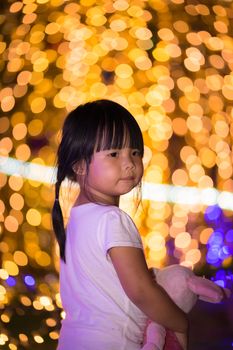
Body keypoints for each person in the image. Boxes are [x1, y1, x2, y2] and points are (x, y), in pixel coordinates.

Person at [52, 99, 188, 350]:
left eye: (135, 152)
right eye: (114, 154)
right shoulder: (112, 220)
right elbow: (141, 291)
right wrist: (181, 322)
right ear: (79, 165)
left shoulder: (78, 217)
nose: (129, 163)